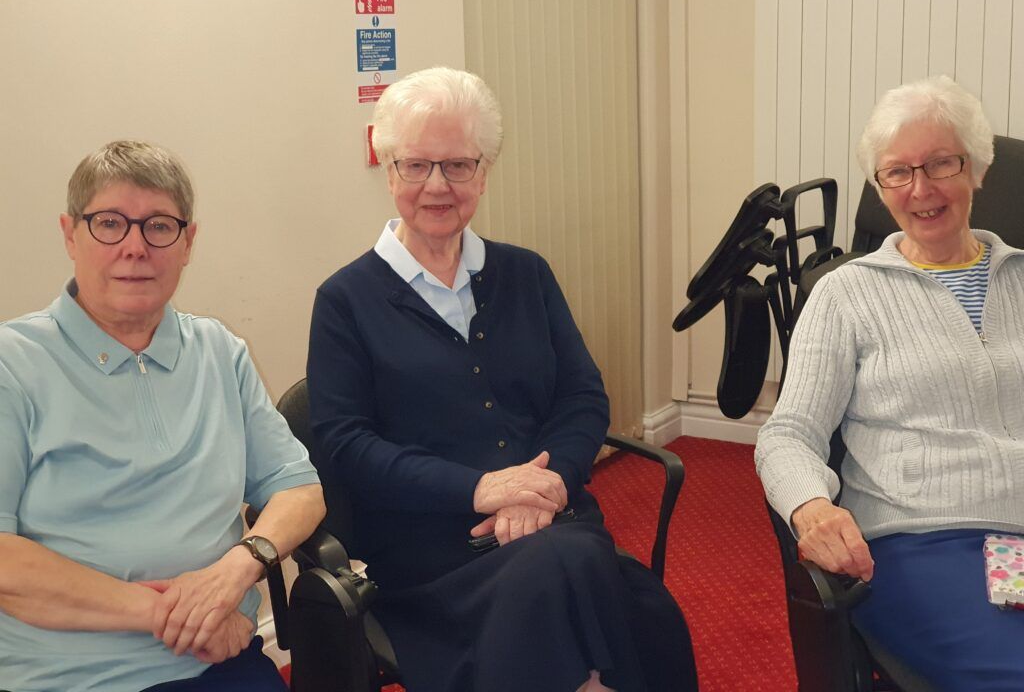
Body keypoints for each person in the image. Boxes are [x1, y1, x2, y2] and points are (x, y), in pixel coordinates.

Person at [307, 67, 698, 692]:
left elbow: (581, 396)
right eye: (417, 165)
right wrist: (482, 489)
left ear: (484, 173)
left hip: (554, 521)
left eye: (458, 165)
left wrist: (548, 483)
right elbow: (346, 446)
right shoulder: (345, 301)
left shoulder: (526, 274)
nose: (438, 185)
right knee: (600, 601)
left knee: (640, 609)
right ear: (390, 172)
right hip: (435, 557)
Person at [0, 141, 326, 692]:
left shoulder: (220, 351)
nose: (135, 247)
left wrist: (237, 570)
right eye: (109, 223)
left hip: (219, 662)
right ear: (70, 234)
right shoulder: (13, 364)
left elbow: (300, 490)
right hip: (70, 676)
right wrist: (180, 615)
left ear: (187, 242)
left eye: (158, 226)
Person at [755, 75, 1024, 690]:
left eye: (941, 163)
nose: (920, 189)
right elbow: (788, 433)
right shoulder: (846, 294)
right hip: (923, 542)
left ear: (977, 168)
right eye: (897, 172)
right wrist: (811, 507)